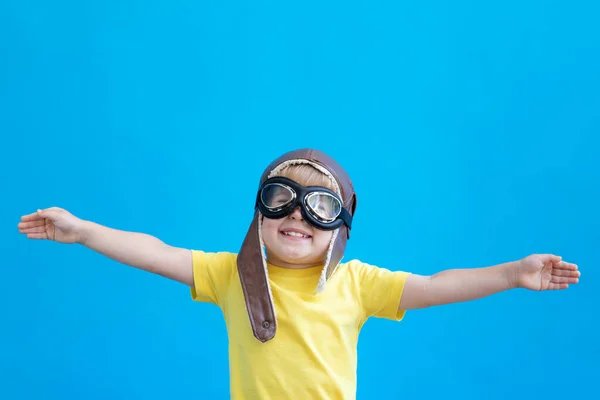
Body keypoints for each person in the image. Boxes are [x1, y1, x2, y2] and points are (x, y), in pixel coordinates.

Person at [17, 148, 580, 400]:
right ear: (258, 212)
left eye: (319, 207)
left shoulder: (357, 283)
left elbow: (436, 285)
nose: (297, 217)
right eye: (281, 199)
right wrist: (86, 231)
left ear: (340, 228)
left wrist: (511, 273)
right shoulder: (227, 275)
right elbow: (153, 250)